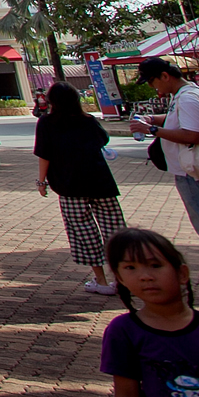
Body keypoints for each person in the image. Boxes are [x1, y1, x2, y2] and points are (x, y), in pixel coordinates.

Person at [132, 57, 199, 302]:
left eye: (152, 81)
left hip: (195, 174)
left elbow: (193, 135)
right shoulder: (186, 95)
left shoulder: (188, 97)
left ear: (165, 76)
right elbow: (181, 121)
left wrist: (152, 130)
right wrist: (154, 120)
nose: (153, 87)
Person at [101, 226, 199, 397]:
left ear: (182, 273)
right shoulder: (124, 331)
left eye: (155, 265)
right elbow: (127, 396)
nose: (145, 276)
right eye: (130, 267)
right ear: (120, 279)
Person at [36, 82, 126, 295]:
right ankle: (121, 278)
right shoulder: (88, 120)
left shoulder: (47, 122)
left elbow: (44, 154)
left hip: (70, 185)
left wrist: (41, 182)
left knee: (83, 231)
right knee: (115, 230)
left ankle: (101, 280)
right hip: (100, 182)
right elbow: (103, 139)